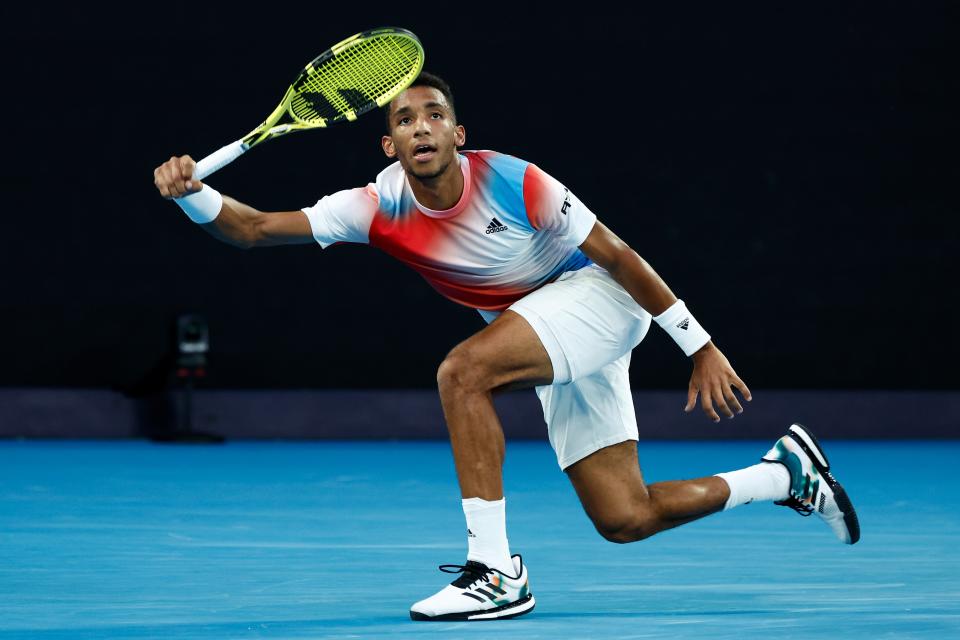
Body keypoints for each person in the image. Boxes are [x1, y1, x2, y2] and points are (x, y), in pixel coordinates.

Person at [153, 72, 860, 622]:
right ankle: (785, 476)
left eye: (433, 115)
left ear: (458, 133)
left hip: (600, 300)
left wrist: (699, 344)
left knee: (463, 372)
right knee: (624, 516)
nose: (420, 126)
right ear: (390, 147)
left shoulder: (515, 180)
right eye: (403, 120)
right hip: (549, 329)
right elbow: (252, 229)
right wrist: (193, 196)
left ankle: (493, 572)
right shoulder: (376, 206)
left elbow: (618, 254)